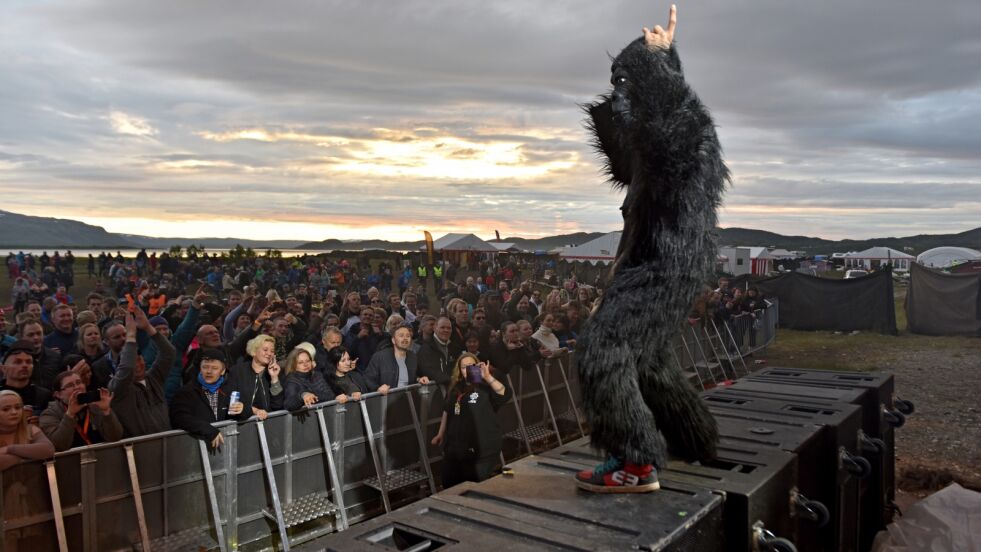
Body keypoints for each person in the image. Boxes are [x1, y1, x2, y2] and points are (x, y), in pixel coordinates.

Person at [430, 353, 512, 488]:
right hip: (454, 448)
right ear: (459, 370)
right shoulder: (456, 387)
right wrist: (440, 433)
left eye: (471, 366)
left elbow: (504, 394)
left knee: (474, 487)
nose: (467, 369)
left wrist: (487, 376)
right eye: (464, 367)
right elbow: (447, 410)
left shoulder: (486, 386)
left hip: (480, 450)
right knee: (449, 483)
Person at [108, 307, 177, 438]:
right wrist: (131, 336)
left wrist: (148, 328)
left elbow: (169, 353)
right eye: (132, 360)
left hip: (167, 443)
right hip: (140, 449)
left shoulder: (154, 378)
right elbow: (127, 368)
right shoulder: (118, 388)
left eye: (139, 359)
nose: (137, 365)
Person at [170, 348, 248, 449]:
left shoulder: (229, 390)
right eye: (205, 367)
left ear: (223, 371)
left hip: (225, 448)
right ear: (200, 368)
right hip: (196, 449)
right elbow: (179, 418)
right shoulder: (186, 392)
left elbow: (246, 411)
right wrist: (207, 429)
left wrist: (242, 409)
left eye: (214, 368)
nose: (209, 371)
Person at [39, 371, 122, 451]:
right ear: (58, 394)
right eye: (70, 385)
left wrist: (106, 411)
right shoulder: (49, 414)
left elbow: (115, 437)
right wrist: (70, 414)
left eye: (79, 382)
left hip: (103, 458)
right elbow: (60, 445)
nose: (77, 387)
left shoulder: (95, 406)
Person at [230, 334, 283, 420]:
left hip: (269, 424)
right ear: (254, 351)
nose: (269, 353)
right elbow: (231, 401)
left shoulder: (276, 372)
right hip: (243, 425)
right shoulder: (237, 371)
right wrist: (254, 410)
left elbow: (278, 406)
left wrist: (274, 378)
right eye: (265, 350)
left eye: (272, 351)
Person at [0, 390, 55, 470]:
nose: (14, 412)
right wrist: (27, 454)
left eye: (18, 407)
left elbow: (48, 450)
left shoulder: (30, 429)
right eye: (6, 409)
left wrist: (9, 449)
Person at [363, 326, 427, 393]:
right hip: (385, 400)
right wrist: (378, 388)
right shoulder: (380, 356)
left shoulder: (413, 357)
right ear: (393, 340)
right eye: (401, 336)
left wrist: (419, 379)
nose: (405, 338)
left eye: (408, 336)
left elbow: (411, 376)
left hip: (407, 399)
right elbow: (368, 378)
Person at [1, 341, 52, 419]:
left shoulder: (44, 396)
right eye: (18, 362)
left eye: (28, 362)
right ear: (4, 369)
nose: (24, 365)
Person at [282, 344, 341, 410]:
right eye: (300, 362)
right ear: (293, 365)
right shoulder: (291, 380)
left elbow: (330, 396)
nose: (305, 364)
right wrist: (302, 396)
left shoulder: (317, 375)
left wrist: (311, 393)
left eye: (308, 361)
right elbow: (289, 404)